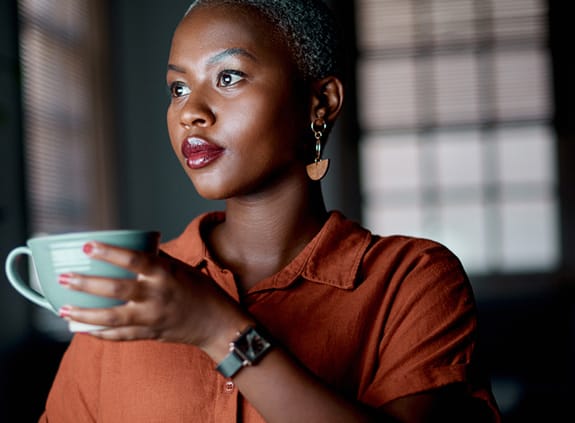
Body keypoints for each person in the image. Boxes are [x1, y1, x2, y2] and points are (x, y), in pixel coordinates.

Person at [40, 0, 502, 421]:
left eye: (229, 77)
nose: (190, 112)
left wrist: (216, 329)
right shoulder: (130, 289)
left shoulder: (412, 280)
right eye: (178, 88)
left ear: (320, 103)